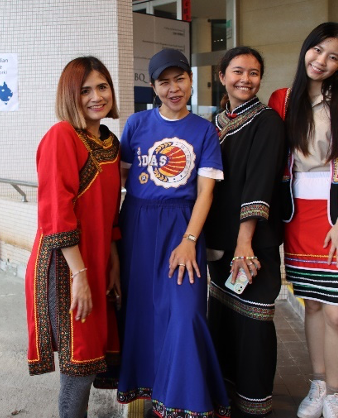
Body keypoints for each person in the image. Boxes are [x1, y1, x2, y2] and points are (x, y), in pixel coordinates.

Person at [268, 22, 338, 418]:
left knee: (337, 310)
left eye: (334, 57)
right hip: (298, 214)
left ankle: (335, 392)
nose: (322, 61)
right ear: (306, 49)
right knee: (312, 305)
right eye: (318, 50)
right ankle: (316, 383)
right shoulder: (283, 98)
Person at [117, 49, 230, 418]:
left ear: (191, 81)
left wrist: (189, 241)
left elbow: (206, 193)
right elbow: (117, 183)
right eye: (164, 82)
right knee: (144, 313)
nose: (173, 88)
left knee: (185, 313)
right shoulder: (135, 125)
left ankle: (185, 402)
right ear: (153, 87)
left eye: (179, 79)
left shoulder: (203, 130)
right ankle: (153, 394)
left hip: (183, 229)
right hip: (137, 227)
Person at [25, 56, 122, 418]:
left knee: (93, 355)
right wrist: (80, 275)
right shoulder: (62, 136)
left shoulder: (110, 142)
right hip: (67, 264)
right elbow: (56, 213)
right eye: (85, 90)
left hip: (97, 261)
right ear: (70, 95)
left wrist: (112, 261)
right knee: (78, 363)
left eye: (102, 87)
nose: (97, 96)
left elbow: (110, 210)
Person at [204, 46, 285, 417]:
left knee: (254, 317)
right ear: (222, 76)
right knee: (223, 317)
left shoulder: (267, 121)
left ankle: (254, 399)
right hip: (219, 243)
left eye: (253, 73)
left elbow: (259, 182)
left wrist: (244, 241)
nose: (245, 79)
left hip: (250, 242)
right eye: (238, 71)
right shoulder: (214, 124)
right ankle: (226, 392)